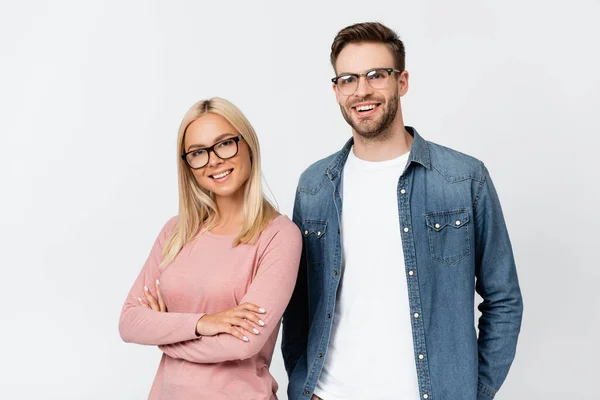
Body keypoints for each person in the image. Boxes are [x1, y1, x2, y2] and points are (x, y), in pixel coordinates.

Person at [282, 22, 523, 400]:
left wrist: (473, 391)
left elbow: (504, 299)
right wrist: (303, 385)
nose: (362, 90)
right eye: (348, 79)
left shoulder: (462, 179)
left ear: (402, 81)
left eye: (376, 75)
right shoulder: (314, 186)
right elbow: (297, 307)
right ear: (336, 90)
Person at [119, 97, 302, 399]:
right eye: (198, 153)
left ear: (248, 144)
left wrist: (164, 335)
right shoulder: (176, 232)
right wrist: (203, 323)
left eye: (225, 144)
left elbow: (243, 343)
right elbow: (129, 322)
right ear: (188, 165)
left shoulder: (279, 236)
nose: (213, 160)